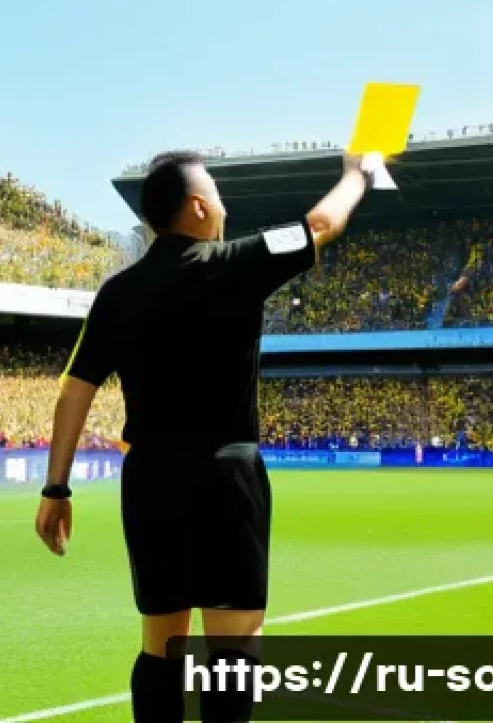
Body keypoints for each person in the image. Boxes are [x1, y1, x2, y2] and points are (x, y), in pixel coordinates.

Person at [35, 150, 377, 722]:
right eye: (216, 191)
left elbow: (75, 390)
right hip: (226, 476)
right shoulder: (236, 261)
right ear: (197, 206)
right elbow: (323, 224)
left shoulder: (118, 292)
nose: (223, 202)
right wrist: (355, 175)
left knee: (162, 642)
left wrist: (56, 488)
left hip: (151, 480)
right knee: (233, 645)